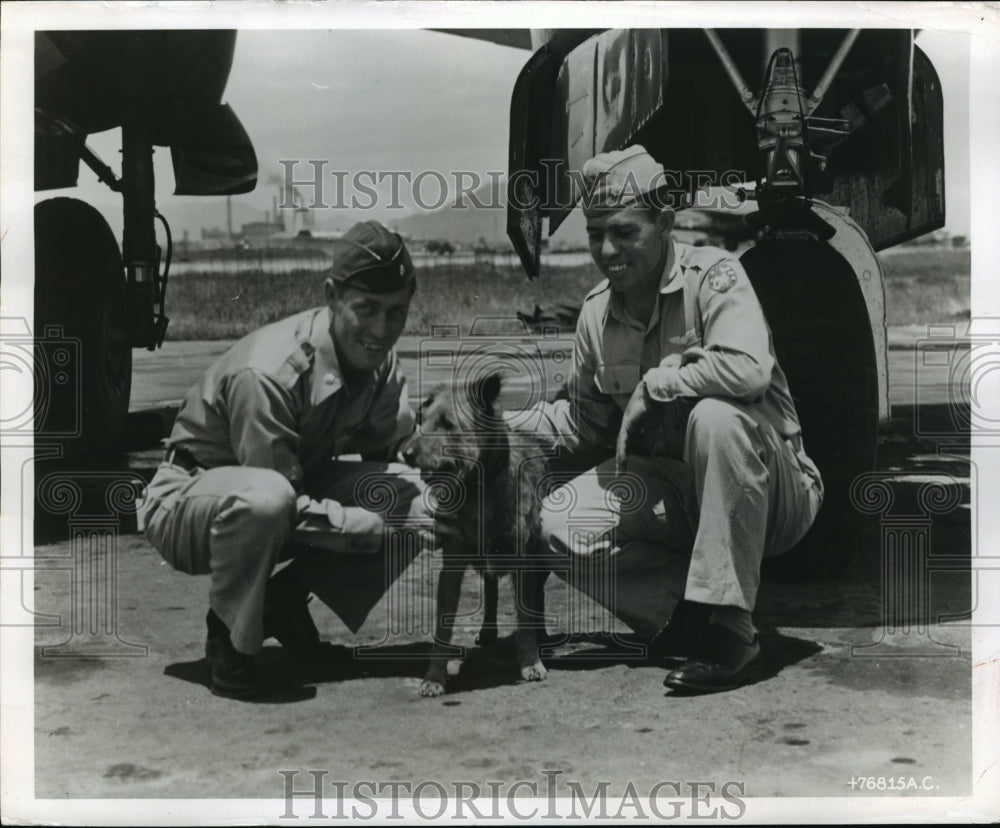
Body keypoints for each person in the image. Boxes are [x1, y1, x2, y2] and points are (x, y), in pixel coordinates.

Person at [523, 145, 824, 693]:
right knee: (554, 524)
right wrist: (497, 426)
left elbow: (749, 370)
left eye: (623, 231)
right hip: (676, 495)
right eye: (595, 234)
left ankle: (732, 632)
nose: (607, 250)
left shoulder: (714, 276)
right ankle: (685, 616)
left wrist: (658, 383)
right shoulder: (596, 313)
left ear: (664, 222)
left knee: (715, 418)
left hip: (774, 491)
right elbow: (586, 425)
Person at [142, 220, 431, 700]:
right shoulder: (271, 371)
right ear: (332, 295)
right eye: (367, 309)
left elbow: (396, 453)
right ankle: (230, 637)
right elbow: (281, 500)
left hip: (289, 489)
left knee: (418, 499)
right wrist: (370, 528)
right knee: (269, 500)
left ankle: (282, 602)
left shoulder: (378, 359)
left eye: (396, 312)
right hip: (190, 503)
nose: (382, 330)